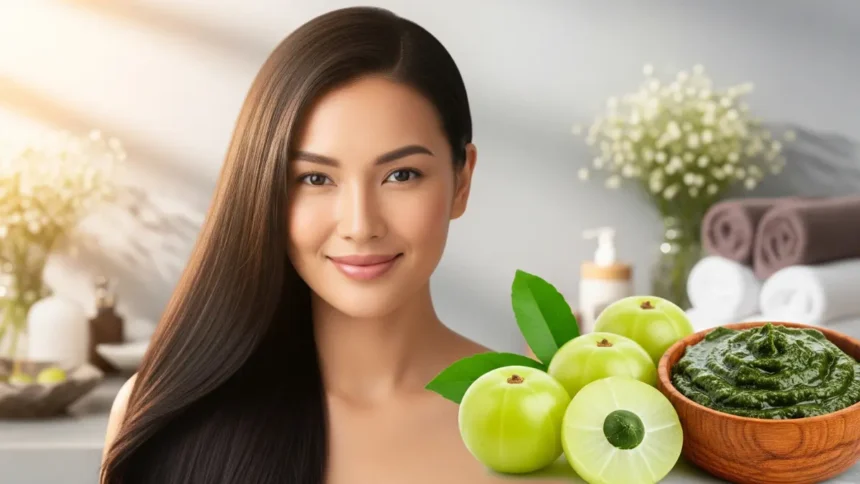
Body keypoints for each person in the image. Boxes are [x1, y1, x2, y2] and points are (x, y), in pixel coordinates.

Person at [100, 6, 568, 484]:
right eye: (316, 178)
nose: (360, 225)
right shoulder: (164, 417)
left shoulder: (548, 422)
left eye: (400, 175)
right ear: (267, 190)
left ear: (461, 181)